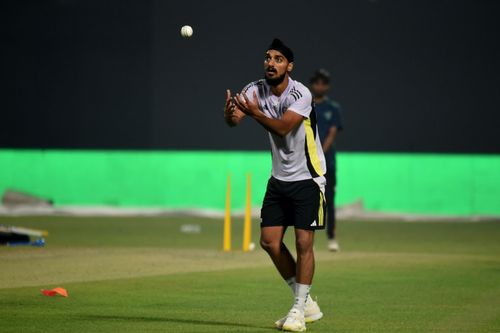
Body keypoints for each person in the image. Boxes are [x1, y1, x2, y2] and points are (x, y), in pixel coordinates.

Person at [224, 38, 325, 332]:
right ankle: (306, 304)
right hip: (279, 178)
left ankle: (298, 309)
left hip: (308, 178)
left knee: (304, 243)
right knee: (269, 241)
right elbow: (235, 120)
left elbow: (282, 128)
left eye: (278, 59)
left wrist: (254, 112)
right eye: (268, 57)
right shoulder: (254, 89)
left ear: (289, 66)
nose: (271, 62)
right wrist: (230, 114)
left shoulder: (301, 94)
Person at [310, 69, 343, 252]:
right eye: (317, 82)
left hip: (327, 162)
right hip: (307, 164)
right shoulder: (305, 106)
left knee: (329, 201)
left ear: (327, 86)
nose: (320, 86)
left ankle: (331, 238)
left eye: (323, 83)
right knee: (310, 202)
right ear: (312, 85)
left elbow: (332, 132)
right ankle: (309, 240)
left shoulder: (333, 108)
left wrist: (319, 155)